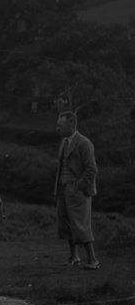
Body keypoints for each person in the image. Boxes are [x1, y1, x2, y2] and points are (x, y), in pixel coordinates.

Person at [55, 111, 99, 270]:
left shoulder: (84, 143)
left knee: (81, 225)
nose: (57, 128)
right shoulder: (64, 142)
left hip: (78, 191)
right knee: (66, 224)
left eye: (60, 125)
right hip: (63, 190)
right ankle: (74, 257)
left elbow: (92, 169)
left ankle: (93, 260)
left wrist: (78, 185)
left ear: (70, 124)